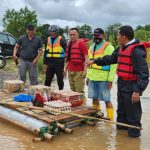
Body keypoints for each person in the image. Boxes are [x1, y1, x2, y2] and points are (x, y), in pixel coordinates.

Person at [85, 25, 149, 137]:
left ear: (124, 37)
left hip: (132, 85)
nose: (117, 37)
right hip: (122, 82)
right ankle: (121, 132)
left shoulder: (136, 51)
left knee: (133, 110)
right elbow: (110, 58)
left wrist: (138, 90)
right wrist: (94, 61)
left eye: (118, 35)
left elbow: (144, 74)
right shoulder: (121, 47)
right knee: (122, 109)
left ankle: (134, 135)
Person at [86, 28, 116, 119]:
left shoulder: (109, 47)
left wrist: (110, 80)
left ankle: (110, 119)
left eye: (98, 35)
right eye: (94, 35)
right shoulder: (91, 47)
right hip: (92, 78)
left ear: (103, 36)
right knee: (94, 98)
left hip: (104, 79)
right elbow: (89, 64)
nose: (96, 37)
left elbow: (113, 65)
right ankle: (97, 116)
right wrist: (88, 77)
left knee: (107, 100)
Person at [65, 28, 88, 95]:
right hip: (70, 69)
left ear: (77, 35)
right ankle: (75, 104)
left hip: (79, 70)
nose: (72, 36)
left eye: (74, 35)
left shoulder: (82, 44)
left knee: (79, 91)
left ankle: (82, 104)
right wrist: (65, 69)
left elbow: (86, 58)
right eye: (70, 35)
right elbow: (68, 58)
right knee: (72, 91)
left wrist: (85, 70)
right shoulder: (69, 44)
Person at [43, 25, 67, 90]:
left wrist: (66, 64)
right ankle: (46, 95)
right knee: (47, 80)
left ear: (57, 32)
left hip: (59, 63)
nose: (53, 34)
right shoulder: (47, 40)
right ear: (49, 32)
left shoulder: (62, 40)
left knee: (60, 80)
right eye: (51, 32)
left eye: (54, 33)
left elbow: (67, 52)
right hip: (50, 63)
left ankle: (61, 93)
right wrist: (44, 63)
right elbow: (45, 52)